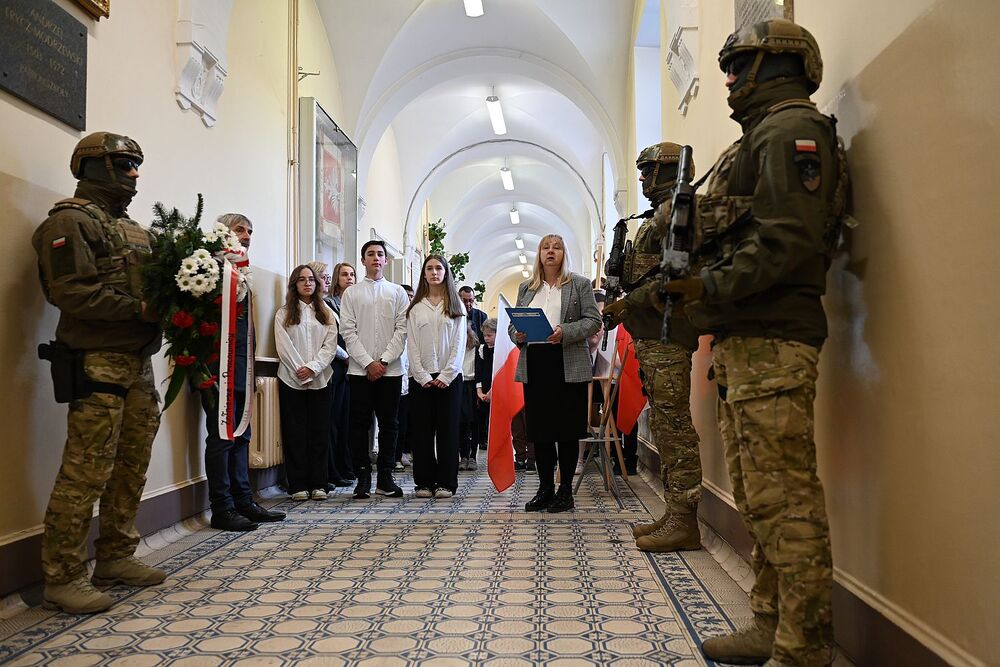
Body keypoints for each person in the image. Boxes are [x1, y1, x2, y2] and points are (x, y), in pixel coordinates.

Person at [664, 19, 848, 666]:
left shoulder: (791, 131)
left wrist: (706, 286)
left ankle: (805, 645)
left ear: (780, 65)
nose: (729, 80)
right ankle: (771, 622)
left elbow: (786, 239)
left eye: (740, 66)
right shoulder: (763, 135)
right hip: (748, 338)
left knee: (785, 499)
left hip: (776, 339)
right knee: (757, 495)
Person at [31, 132, 165, 613]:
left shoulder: (132, 229)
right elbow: (70, 292)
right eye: (125, 164)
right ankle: (63, 575)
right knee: (86, 471)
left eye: (135, 164)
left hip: (136, 362)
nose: (134, 173)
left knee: (130, 467)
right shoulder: (70, 222)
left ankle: (115, 556)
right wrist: (140, 310)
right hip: (96, 362)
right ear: (94, 167)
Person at [601, 142, 704, 554]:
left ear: (668, 170)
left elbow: (674, 279)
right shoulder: (654, 218)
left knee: (675, 427)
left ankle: (685, 520)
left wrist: (627, 304)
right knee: (663, 425)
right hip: (651, 337)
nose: (642, 177)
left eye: (649, 170)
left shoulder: (680, 214)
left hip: (669, 336)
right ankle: (675, 511)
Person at [202, 214, 285, 531]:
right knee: (222, 437)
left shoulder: (242, 272)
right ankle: (221, 507)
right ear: (224, 233)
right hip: (217, 368)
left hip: (242, 366)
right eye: (240, 230)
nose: (247, 235)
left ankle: (243, 500)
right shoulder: (209, 269)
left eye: (250, 231)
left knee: (242, 436)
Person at [511, 235, 601, 513]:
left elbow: (594, 321)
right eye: (546, 247)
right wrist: (517, 335)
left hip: (567, 363)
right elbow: (513, 325)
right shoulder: (527, 287)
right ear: (539, 254)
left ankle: (565, 492)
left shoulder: (579, 284)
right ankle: (545, 489)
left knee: (566, 430)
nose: (551, 251)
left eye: (557, 247)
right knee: (541, 431)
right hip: (536, 363)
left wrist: (565, 332)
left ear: (564, 253)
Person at [340, 240, 409, 499]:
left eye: (380, 254)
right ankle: (362, 477)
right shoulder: (352, 293)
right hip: (360, 371)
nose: (376, 258)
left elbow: (402, 330)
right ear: (363, 260)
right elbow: (348, 331)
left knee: (390, 424)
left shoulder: (397, 292)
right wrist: (368, 363)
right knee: (359, 424)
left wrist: (385, 361)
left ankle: (385, 477)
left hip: (391, 371)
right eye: (371, 254)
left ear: (386, 261)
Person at [274, 265, 338, 500]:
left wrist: (313, 368)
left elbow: (330, 345)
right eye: (302, 280)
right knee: (295, 433)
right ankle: (298, 485)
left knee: (319, 433)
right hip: (291, 379)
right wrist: (300, 369)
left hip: (321, 379)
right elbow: (283, 345)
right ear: (295, 284)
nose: (307, 283)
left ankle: (319, 483)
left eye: (311, 279)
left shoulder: (326, 313)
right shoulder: (284, 313)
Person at [406, 255, 467, 498]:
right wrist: (421, 375)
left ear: (446, 272)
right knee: (422, 432)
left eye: (438, 268)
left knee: (448, 432)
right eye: (429, 268)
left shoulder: (456, 305)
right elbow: (411, 344)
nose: (434, 272)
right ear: (424, 274)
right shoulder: (416, 308)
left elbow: (459, 343)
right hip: (421, 378)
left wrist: (447, 374)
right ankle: (423, 482)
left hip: (449, 378)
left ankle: (446, 482)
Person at [308, 260, 352, 489]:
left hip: (343, 368)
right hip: (331, 366)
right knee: (330, 422)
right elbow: (329, 339)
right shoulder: (322, 305)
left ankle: (341, 468)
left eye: (326, 277)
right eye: (323, 276)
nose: (326, 280)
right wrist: (347, 356)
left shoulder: (332, 304)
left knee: (341, 421)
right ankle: (330, 471)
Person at [327, 262, 357, 484]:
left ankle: (348, 466)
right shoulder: (329, 304)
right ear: (337, 278)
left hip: (354, 367)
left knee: (348, 421)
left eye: (352, 274)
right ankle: (334, 469)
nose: (349, 278)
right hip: (337, 366)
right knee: (334, 420)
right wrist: (346, 356)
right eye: (345, 274)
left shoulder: (356, 303)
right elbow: (331, 337)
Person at [458, 306, 481, 471]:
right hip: (460, 385)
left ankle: (473, 456)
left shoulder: (477, 349)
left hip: (473, 387)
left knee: (474, 423)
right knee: (461, 424)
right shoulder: (456, 349)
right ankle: (463, 456)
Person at [395, 284, 415, 469]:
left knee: (409, 418)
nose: (409, 299)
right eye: (406, 295)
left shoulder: (416, 315)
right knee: (395, 419)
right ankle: (395, 454)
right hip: (396, 371)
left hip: (413, 373)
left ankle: (405, 450)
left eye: (411, 296)